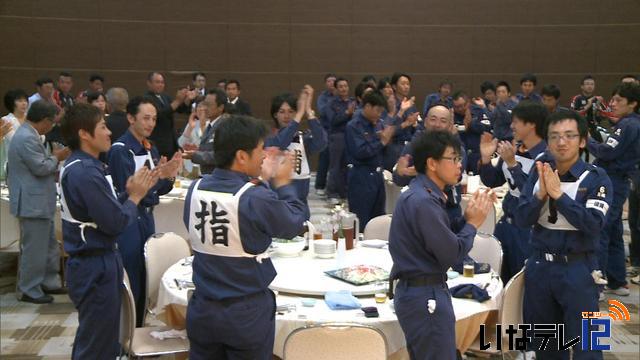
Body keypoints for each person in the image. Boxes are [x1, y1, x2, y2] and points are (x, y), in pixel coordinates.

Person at [184, 115, 306, 359]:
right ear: (241, 156)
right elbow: (294, 223)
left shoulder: (195, 189)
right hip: (244, 312)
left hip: (202, 307)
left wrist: (261, 181)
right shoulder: (255, 197)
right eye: (260, 150)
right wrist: (282, 184)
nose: (263, 156)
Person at [59, 103, 158, 359]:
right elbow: (114, 222)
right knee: (97, 343)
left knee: (101, 336)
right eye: (102, 127)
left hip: (98, 261)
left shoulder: (87, 166)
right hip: (93, 264)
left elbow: (106, 209)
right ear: (84, 134)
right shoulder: (84, 172)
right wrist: (134, 198)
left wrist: (129, 192)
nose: (108, 132)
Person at [514, 110, 612, 358]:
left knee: (589, 348)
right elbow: (521, 219)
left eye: (569, 136)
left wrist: (559, 196)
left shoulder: (596, 178)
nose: (561, 142)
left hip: (580, 270)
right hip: (540, 268)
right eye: (555, 136)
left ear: (582, 141)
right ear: (547, 141)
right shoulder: (539, 172)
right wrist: (540, 196)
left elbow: (593, 224)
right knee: (546, 346)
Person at [389, 130, 493, 360]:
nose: (459, 165)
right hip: (425, 296)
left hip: (419, 292)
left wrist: (466, 220)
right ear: (432, 163)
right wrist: (473, 224)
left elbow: (438, 240)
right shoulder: (423, 201)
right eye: (453, 159)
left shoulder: (424, 194)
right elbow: (452, 254)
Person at [107, 96, 182, 325]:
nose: (150, 123)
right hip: (130, 218)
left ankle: (139, 327)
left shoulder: (151, 147)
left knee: (147, 273)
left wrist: (168, 175)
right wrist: (157, 177)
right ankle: (127, 334)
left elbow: (158, 189)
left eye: (154, 119)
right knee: (133, 275)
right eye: (145, 118)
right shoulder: (121, 149)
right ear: (131, 118)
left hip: (147, 217)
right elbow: (128, 190)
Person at [7, 100, 71, 303]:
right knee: (35, 248)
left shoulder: (31, 135)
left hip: (40, 201)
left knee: (50, 245)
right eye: (52, 122)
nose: (52, 126)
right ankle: (29, 288)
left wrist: (53, 157)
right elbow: (41, 167)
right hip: (32, 203)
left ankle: (49, 282)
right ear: (44, 121)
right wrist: (58, 156)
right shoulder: (26, 137)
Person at [479, 101, 548, 282]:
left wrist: (512, 165)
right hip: (506, 224)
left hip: (527, 229)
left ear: (531, 124)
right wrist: (486, 160)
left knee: (521, 282)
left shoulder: (545, 155)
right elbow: (494, 180)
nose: (512, 126)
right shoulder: (515, 147)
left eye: (516, 121)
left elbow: (533, 193)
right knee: (497, 277)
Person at [587, 82, 640, 296]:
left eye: (619, 100)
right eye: (613, 99)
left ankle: (597, 284)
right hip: (619, 179)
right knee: (615, 231)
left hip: (614, 180)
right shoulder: (629, 123)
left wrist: (586, 141)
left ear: (633, 103)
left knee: (602, 229)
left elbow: (607, 152)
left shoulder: (628, 125)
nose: (614, 104)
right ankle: (617, 281)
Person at [264, 87, 327, 219]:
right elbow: (282, 142)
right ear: (275, 114)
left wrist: (309, 112)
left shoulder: (302, 138)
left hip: (300, 202)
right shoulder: (270, 138)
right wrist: (298, 115)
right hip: (278, 201)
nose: (287, 116)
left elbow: (321, 143)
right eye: (282, 112)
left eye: (291, 112)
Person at [345, 91, 395, 232]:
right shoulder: (354, 126)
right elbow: (360, 152)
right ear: (367, 106)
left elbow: (383, 150)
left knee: (377, 219)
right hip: (361, 176)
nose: (380, 114)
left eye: (381, 111)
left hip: (378, 176)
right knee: (361, 220)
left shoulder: (378, 124)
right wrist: (381, 141)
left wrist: (386, 141)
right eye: (377, 110)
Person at [144, 71, 191, 158]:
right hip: (158, 143)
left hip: (171, 142)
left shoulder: (165, 96)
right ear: (149, 83)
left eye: (162, 82)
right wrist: (177, 100)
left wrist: (187, 99)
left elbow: (179, 109)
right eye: (157, 82)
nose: (161, 85)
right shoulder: (146, 99)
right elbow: (160, 115)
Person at [182, 88, 229, 175]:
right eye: (204, 104)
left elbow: (221, 155)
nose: (205, 108)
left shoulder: (225, 125)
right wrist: (196, 150)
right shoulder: (211, 125)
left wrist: (195, 155)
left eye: (209, 105)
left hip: (218, 177)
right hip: (207, 175)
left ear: (221, 107)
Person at [325, 77, 355, 201]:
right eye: (341, 86)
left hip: (351, 136)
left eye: (345, 86)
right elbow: (332, 120)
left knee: (347, 165)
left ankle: (344, 192)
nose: (344, 89)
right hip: (337, 136)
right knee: (335, 166)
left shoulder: (353, 102)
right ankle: (332, 192)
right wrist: (347, 113)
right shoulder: (332, 103)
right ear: (336, 89)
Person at [314, 73, 336, 196]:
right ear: (325, 83)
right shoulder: (322, 97)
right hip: (326, 131)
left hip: (337, 131)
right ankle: (320, 185)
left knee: (336, 162)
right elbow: (323, 112)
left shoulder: (340, 97)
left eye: (334, 81)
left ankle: (333, 187)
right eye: (329, 81)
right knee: (324, 159)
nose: (331, 83)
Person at [1, 89, 29, 180]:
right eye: (20, 101)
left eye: (25, 100)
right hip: (14, 163)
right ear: (11, 103)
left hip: (31, 161)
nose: (24, 103)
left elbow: (41, 138)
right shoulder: (6, 120)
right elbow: (15, 140)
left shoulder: (31, 118)